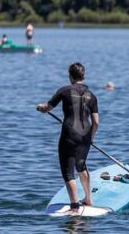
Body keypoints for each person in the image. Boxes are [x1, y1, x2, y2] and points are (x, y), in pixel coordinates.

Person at [37, 62, 99, 214]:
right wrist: (91, 137)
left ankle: (74, 207)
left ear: (71, 76)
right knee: (81, 165)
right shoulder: (92, 96)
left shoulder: (64, 91)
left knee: (68, 171)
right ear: (84, 76)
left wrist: (41, 108)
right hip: (85, 136)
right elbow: (96, 122)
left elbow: (48, 108)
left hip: (69, 135)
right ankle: (89, 199)